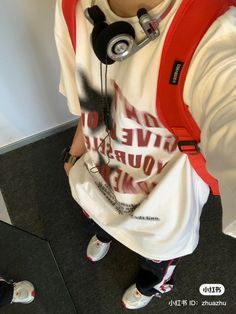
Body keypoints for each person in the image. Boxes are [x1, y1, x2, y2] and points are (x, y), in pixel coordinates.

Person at [55, 0, 236, 310]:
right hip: (95, 189)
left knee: (156, 266)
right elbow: (86, 103)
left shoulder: (216, 33)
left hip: (161, 222)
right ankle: (107, 234)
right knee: (96, 225)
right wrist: (74, 157)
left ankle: (152, 286)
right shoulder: (71, 6)